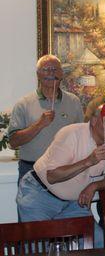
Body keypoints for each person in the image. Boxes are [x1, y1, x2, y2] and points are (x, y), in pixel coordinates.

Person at [17, 103, 105, 248]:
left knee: (98, 241)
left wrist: (94, 185)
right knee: (40, 249)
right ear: (93, 121)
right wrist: (88, 161)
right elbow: (52, 176)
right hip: (40, 195)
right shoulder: (70, 133)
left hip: (74, 203)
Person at [8, 55, 84, 184]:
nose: (50, 73)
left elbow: (81, 137)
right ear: (38, 74)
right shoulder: (24, 103)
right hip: (31, 170)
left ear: (61, 74)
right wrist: (39, 124)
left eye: (55, 69)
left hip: (66, 170)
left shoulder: (74, 102)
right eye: (46, 69)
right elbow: (13, 142)